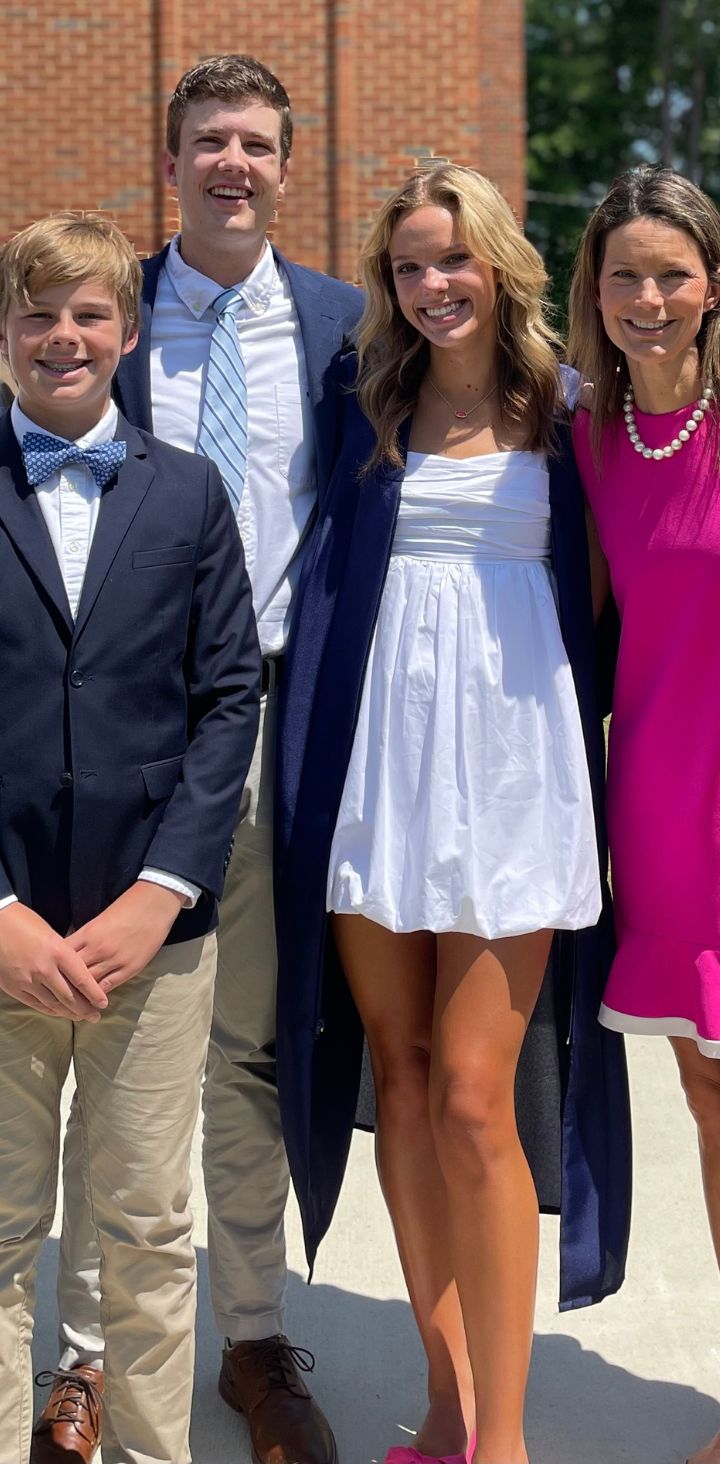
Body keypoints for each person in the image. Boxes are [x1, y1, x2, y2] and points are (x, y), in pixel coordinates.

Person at [274, 163, 633, 1464]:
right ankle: (445, 1401)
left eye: (455, 259)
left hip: (513, 781)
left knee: (481, 1096)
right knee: (407, 1074)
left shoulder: (571, 413)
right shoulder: (365, 405)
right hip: (378, 768)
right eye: (410, 265)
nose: (434, 285)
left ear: (502, 266)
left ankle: (509, 1438)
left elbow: (619, 590)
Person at [39, 53, 361, 1464]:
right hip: (131, 730)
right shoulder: (112, 317)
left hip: (289, 731)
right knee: (106, 1030)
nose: (233, 163)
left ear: (290, 163)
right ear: (170, 161)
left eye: (256, 143)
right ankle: (92, 1354)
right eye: (208, 141)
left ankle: (249, 1333)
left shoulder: (350, 326)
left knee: (244, 1053)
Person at [0, 211, 260, 1464]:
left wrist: (160, 893)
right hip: (1, 936)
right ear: (5, 331)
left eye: (90, 312)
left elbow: (228, 702)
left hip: (152, 940)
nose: (65, 335)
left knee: (151, 1228)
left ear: (129, 331)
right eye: (39, 311)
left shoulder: (191, 492)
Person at [568, 163, 720, 1464]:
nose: (649, 297)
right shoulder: (593, 443)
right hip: (664, 818)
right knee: (711, 1100)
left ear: (712, 284)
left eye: (671, 272)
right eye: (624, 275)